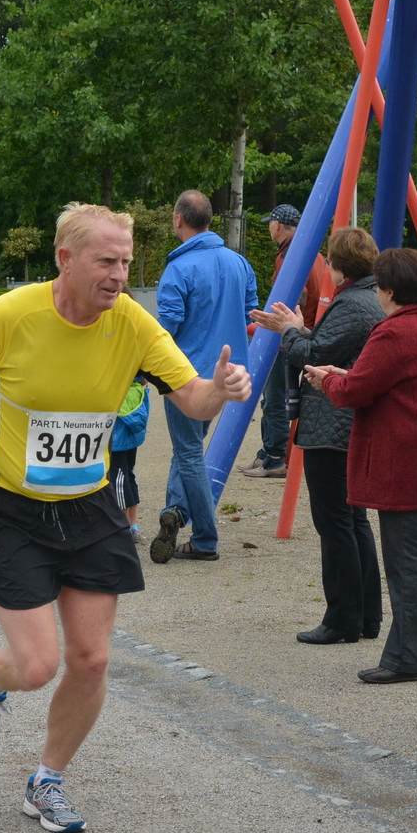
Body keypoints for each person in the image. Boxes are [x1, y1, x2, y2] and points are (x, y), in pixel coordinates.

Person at [0, 202, 252, 833]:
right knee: (38, 664)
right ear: (65, 259)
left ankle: (47, 780)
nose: (119, 275)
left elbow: (192, 397)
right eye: (106, 261)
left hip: (91, 507)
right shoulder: (10, 315)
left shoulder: (131, 323)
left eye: (127, 262)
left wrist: (223, 388)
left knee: (93, 658)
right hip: (13, 510)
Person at [306, 248, 417, 684]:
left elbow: (358, 389)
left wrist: (328, 379)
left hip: (404, 461)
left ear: (389, 290)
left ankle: (404, 657)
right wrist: (344, 375)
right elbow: (373, 378)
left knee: (406, 562)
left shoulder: (395, 331)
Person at [251, 226, 384, 644]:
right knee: (353, 522)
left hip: (332, 424)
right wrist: (293, 329)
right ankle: (365, 615)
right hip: (347, 422)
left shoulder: (352, 302)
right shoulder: (368, 298)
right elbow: (328, 345)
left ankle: (342, 617)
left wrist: (291, 331)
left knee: (334, 524)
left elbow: (316, 353)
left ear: (339, 263)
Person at [148, 190, 257, 564]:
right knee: (189, 447)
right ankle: (176, 511)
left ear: (178, 220)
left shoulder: (178, 268)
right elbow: (250, 315)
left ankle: (205, 538)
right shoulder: (239, 263)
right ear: (210, 220)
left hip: (186, 376)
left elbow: (166, 327)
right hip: (227, 376)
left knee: (189, 451)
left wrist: (140, 362)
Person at [244, 203, 311, 478]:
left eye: (270, 223)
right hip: (296, 333)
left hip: (287, 337)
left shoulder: (290, 255)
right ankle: (267, 452)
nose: (269, 227)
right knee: (274, 397)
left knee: (275, 398)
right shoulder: (303, 248)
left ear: (278, 225)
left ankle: (275, 458)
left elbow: (301, 294)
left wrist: (282, 324)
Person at [109, 379, 151, 539]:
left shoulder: (117, 387)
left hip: (117, 439)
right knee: (129, 475)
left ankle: (121, 526)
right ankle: (132, 524)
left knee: (118, 480)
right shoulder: (138, 388)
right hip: (131, 438)